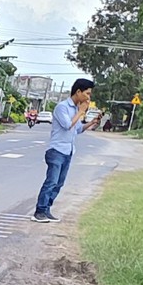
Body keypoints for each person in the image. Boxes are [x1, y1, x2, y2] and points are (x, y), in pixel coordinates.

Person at [32, 78, 93, 221]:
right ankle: (39, 211)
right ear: (78, 92)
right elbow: (67, 125)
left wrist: (91, 122)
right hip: (56, 151)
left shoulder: (76, 110)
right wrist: (81, 112)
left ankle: (47, 209)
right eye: (87, 94)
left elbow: (77, 129)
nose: (88, 98)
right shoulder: (62, 107)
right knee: (51, 181)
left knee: (59, 183)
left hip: (68, 151)